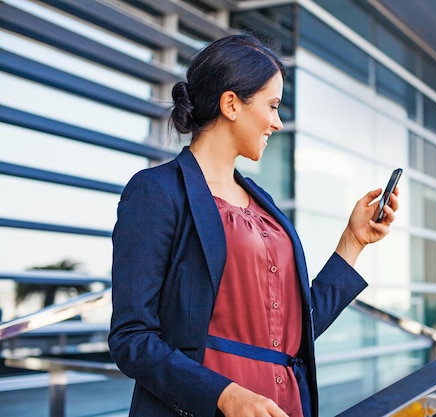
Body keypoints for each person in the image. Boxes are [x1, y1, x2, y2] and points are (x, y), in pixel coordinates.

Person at [108, 34, 399, 417]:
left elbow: (296, 330)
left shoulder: (264, 203)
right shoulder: (157, 191)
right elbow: (132, 338)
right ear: (231, 104)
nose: (277, 123)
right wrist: (225, 396)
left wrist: (353, 240)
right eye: (273, 106)